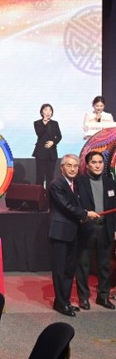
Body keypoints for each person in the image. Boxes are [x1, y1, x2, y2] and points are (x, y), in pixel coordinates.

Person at [47, 154, 99, 316]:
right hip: (60, 233)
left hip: (74, 232)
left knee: (69, 270)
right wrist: (85, 214)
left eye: (75, 166)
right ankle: (61, 303)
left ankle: (64, 301)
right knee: (60, 270)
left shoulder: (75, 184)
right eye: (69, 165)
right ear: (62, 167)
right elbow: (66, 206)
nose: (72, 169)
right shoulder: (56, 184)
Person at [75, 151, 116, 310]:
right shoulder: (79, 182)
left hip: (106, 228)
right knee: (83, 265)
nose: (97, 165)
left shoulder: (110, 182)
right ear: (87, 165)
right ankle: (83, 298)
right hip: (86, 228)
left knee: (104, 266)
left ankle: (103, 297)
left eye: (100, 162)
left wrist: (114, 228)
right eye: (94, 162)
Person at [32, 103, 62, 187]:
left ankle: (49, 193)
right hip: (41, 152)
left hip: (51, 153)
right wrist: (45, 123)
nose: (48, 112)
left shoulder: (55, 123)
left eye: (50, 110)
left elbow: (59, 136)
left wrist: (53, 142)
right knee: (40, 176)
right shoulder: (37, 123)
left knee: (50, 176)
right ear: (42, 112)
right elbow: (39, 134)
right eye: (46, 110)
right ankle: (39, 194)